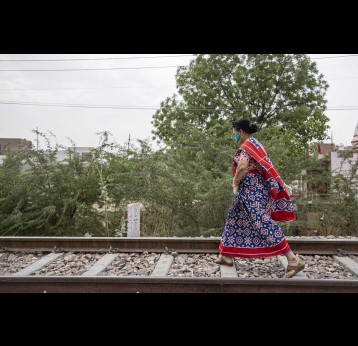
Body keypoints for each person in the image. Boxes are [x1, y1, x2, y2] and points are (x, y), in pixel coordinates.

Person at [215, 119, 305, 278]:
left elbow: (242, 166)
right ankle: (226, 255)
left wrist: (235, 182)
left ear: (240, 132)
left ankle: (293, 259)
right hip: (253, 189)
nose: (234, 136)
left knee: (263, 221)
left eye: (234, 133)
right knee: (234, 218)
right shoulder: (256, 144)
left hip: (252, 189)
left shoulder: (246, 146)